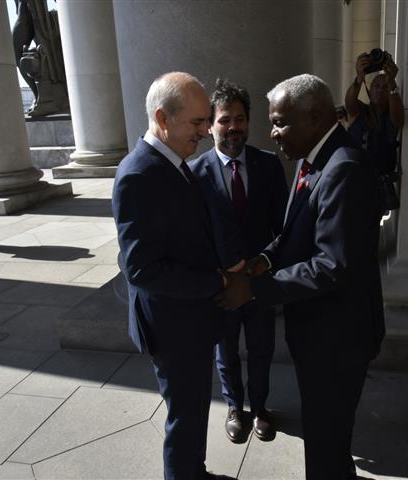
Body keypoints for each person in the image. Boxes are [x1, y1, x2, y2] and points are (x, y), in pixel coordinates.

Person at [217, 74, 385, 479]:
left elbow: (332, 264)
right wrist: (264, 259)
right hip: (317, 334)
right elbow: (294, 234)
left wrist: (254, 290)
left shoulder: (344, 168)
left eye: (280, 123)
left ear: (314, 117)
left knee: (327, 444)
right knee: (326, 439)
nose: (273, 134)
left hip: (337, 340)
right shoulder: (311, 158)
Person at [112, 72, 235, 480]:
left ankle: (193, 472)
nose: (204, 132)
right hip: (173, 327)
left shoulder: (172, 163)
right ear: (163, 119)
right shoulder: (139, 175)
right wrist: (218, 281)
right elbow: (141, 268)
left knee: (194, 409)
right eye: (197, 123)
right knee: (185, 417)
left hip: (188, 319)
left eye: (206, 121)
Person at [189, 79, 288, 444]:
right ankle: (235, 407)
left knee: (262, 348)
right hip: (222, 285)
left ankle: (260, 407)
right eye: (225, 120)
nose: (234, 127)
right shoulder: (195, 173)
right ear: (211, 125)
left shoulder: (269, 165)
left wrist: (264, 265)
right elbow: (195, 236)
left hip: (260, 279)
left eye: (240, 119)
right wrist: (219, 274)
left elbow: (283, 227)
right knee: (226, 349)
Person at [345, 51, 405, 181]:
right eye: (376, 86)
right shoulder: (359, 111)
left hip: (380, 185)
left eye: (385, 87)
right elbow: (349, 102)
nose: (380, 90)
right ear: (370, 89)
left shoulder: (391, 116)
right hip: (355, 182)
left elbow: (398, 118)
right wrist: (359, 78)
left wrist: (391, 82)